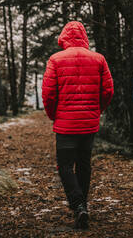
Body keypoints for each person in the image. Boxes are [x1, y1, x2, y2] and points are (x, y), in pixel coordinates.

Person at [42, 21, 113, 229]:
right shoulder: (99, 59)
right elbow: (108, 91)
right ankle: (83, 206)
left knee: (64, 166)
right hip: (88, 125)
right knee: (84, 164)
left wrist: (55, 114)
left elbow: (48, 94)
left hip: (65, 126)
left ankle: (78, 205)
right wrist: (96, 111)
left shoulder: (55, 59)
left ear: (64, 36)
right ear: (84, 37)